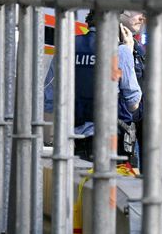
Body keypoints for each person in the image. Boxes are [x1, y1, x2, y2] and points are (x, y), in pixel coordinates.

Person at [44, 12, 141, 161]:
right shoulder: (120, 51)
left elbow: (48, 100)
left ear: (88, 23)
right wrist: (127, 52)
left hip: (70, 141)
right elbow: (133, 103)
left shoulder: (67, 47)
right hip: (109, 143)